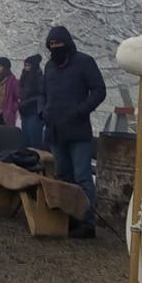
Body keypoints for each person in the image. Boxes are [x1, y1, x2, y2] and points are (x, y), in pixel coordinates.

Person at [42, 26, 106, 239]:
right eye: (51, 45)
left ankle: (87, 222)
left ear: (67, 43)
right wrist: (43, 111)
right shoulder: (49, 67)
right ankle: (69, 218)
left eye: (58, 43)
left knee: (82, 178)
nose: (55, 47)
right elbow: (43, 94)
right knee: (63, 177)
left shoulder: (84, 62)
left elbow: (99, 90)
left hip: (78, 131)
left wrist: (81, 110)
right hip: (55, 131)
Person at [19, 54, 45, 148]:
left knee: (34, 140)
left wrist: (28, 101)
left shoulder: (39, 77)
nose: (26, 68)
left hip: (35, 111)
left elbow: (42, 95)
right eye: (25, 65)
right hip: (25, 111)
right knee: (25, 141)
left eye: (28, 65)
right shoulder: (24, 77)